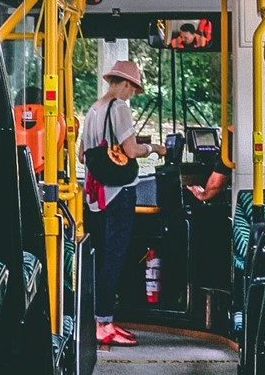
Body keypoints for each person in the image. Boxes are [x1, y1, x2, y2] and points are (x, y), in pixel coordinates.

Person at [79, 60, 167, 346]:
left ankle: (97, 320)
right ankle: (104, 323)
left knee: (101, 256)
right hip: (118, 193)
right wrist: (153, 148)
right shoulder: (119, 108)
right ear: (125, 84)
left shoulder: (93, 109)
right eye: (133, 88)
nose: (132, 95)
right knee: (115, 257)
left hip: (96, 196)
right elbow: (130, 150)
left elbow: (83, 155)